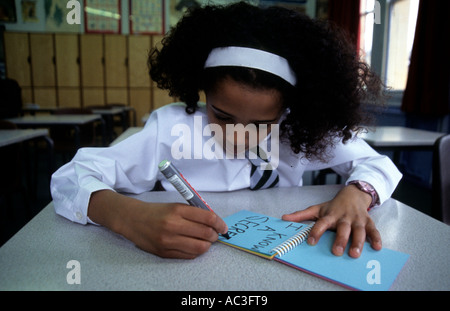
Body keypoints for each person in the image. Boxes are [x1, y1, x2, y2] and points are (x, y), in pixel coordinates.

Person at [51, 2, 402, 260]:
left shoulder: (298, 130)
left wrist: (358, 194)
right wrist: (126, 217)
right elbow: (71, 177)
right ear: (202, 92)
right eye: (223, 116)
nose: (240, 136)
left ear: (287, 109)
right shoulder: (173, 130)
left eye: (263, 124)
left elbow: (380, 165)